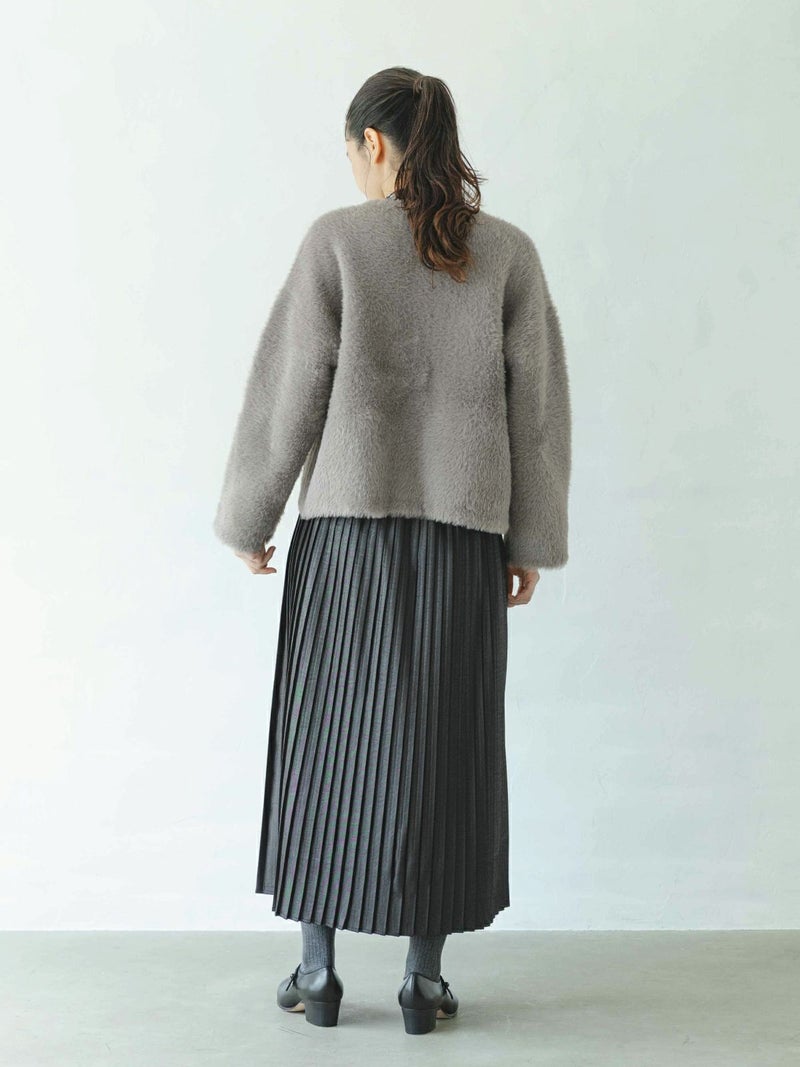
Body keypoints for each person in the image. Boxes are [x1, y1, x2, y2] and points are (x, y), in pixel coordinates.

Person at [212, 66, 572, 1036]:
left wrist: (249, 520)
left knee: (325, 743)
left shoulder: (337, 241)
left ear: (373, 144)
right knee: (444, 749)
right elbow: (535, 412)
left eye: (352, 151)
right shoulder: (506, 253)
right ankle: (421, 980)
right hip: (464, 540)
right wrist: (529, 538)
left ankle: (318, 970)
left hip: (346, 536)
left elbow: (289, 389)